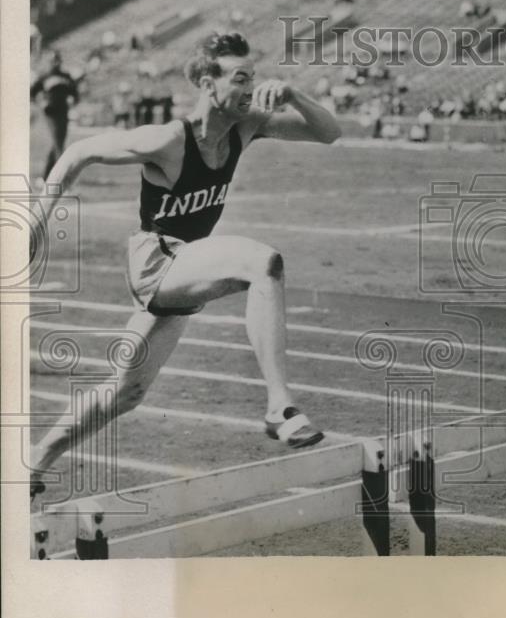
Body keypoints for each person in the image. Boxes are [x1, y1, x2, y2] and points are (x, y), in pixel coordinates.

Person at [28, 32, 341, 498]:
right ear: (206, 82)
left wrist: (294, 94)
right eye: (240, 78)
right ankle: (280, 407)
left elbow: (328, 132)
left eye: (253, 77)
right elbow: (79, 152)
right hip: (156, 264)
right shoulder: (169, 139)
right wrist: (37, 220)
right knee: (263, 262)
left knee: (124, 393)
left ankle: (33, 461)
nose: (251, 88)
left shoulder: (246, 126)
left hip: (187, 268)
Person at [30, 50, 79, 185]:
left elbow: (75, 93)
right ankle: (62, 180)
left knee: (58, 144)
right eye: (52, 60)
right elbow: (32, 93)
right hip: (50, 113)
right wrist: (41, 102)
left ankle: (46, 177)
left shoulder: (66, 76)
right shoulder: (45, 76)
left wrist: (73, 99)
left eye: (56, 60)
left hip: (63, 112)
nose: (54, 63)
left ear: (59, 61)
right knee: (58, 145)